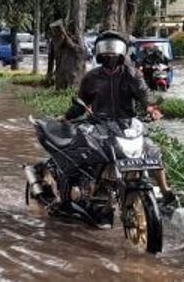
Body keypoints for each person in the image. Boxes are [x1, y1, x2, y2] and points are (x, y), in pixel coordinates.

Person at [62, 30, 176, 205]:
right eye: (105, 49)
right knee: (92, 154)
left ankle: (165, 189)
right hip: (100, 124)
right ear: (98, 52)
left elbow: (144, 94)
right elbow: (81, 104)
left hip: (128, 124)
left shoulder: (132, 74)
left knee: (152, 152)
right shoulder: (91, 77)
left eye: (113, 48)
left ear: (122, 51)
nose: (110, 53)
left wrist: (152, 108)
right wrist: (66, 117)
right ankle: (90, 188)